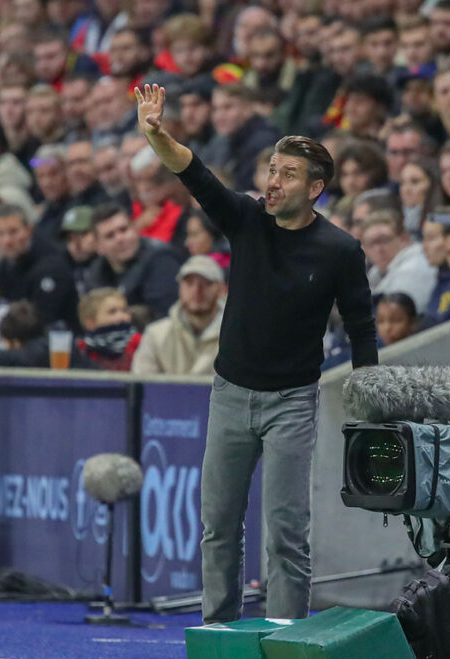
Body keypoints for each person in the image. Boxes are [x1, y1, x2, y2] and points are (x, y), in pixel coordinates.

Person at [134, 83, 377, 624]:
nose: (273, 181)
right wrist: (156, 133)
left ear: (315, 188)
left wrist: (369, 397)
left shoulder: (340, 249)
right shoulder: (245, 219)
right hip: (230, 394)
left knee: (287, 534)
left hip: (292, 401)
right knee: (218, 526)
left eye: (288, 174)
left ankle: (286, 637)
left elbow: (362, 328)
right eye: (272, 169)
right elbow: (193, 173)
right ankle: (218, 633)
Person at [131, 255, 225, 375]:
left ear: (221, 289)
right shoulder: (155, 334)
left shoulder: (235, 336)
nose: (197, 291)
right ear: (179, 288)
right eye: (189, 283)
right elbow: (143, 384)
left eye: (206, 283)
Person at [76, 287, 141, 371]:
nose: (121, 316)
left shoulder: (139, 343)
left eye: (124, 310)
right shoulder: (81, 349)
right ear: (91, 324)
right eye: (112, 312)